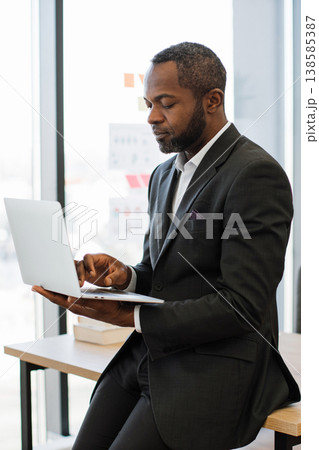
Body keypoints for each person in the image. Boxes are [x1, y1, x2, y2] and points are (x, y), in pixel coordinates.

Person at [33, 42, 300, 450]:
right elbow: (161, 277)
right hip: (152, 354)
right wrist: (125, 278)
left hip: (213, 367)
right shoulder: (164, 175)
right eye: (149, 104)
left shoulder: (255, 175)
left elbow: (242, 307)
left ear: (213, 101)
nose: (152, 117)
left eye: (166, 103)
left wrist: (130, 317)